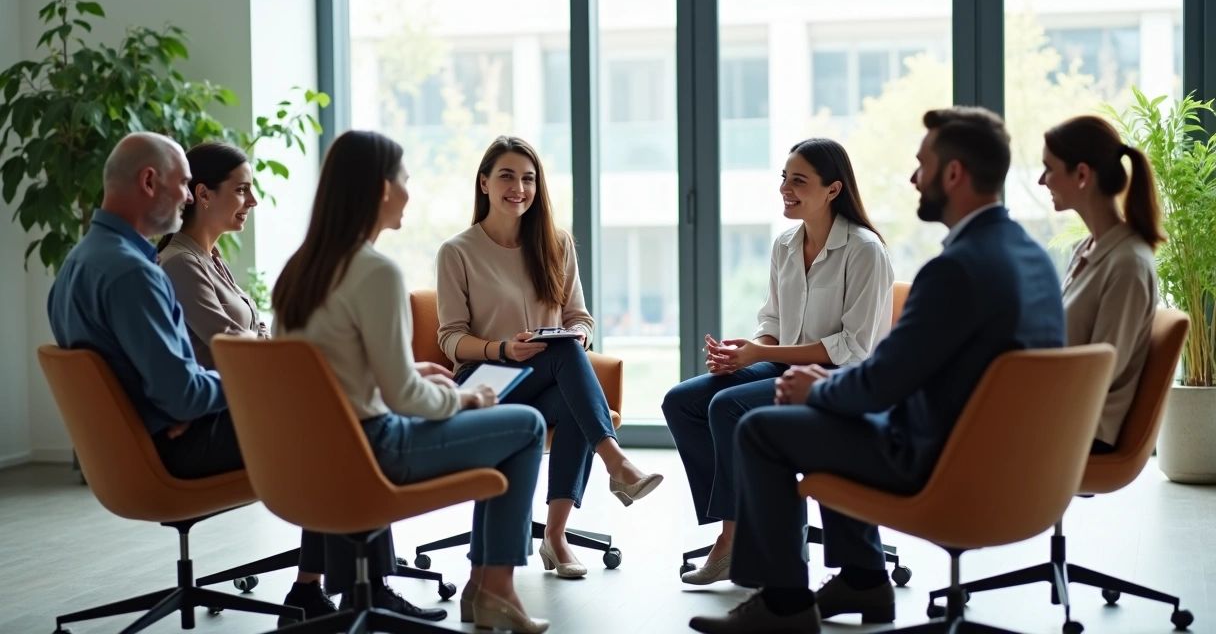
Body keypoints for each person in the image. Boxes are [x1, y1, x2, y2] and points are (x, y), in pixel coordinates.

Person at [688, 107, 1066, 634]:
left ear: (952, 174)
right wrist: (823, 386)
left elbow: (880, 380)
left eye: (922, 165)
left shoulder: (955, 269)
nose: (914, 178)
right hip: (1025, 465)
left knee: (761, 428)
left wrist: (817, 390)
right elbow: (898, 373)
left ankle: (783, 605)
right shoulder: (1032, 257)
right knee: (824, 414)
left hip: (949, 461)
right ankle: (863, 578)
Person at [46, 133, 337, 625]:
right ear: (149, 181)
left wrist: (172, 403)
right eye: (183, 185)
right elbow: (183, 395)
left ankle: (333, 584)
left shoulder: (76, 267)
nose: (186, 197)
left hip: (136, 449)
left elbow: (155, 384)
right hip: (174, 450)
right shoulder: (135, 274)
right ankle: (344, 589)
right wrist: (189, 403)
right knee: (336, 423)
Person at [271, 130, 549, 633]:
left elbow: (324, 375)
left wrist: (393, 373)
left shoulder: (300, 268)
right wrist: (465, 396)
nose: (408, 192)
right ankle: (495, 589)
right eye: (404, 180)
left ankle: (487, 589)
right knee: (526, 424)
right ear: (381, 189)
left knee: (509, 422)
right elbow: (404, 398)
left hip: (312, 453)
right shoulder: (375, 271)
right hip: (373, 449)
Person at [663, 138, 894, 586]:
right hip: (784, 365)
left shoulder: (864, 250)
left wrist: (761, 353)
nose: (786, 188)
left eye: (799, 180)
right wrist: (742, 354)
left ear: (832, 190)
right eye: (784, 178)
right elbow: (772, 322)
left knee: (726, 407)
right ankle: (739, 520)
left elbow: (852, 347)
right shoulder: (785, 245)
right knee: (682, 401)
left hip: (837, 378)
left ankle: (734, 538)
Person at [436, 135, 663, 580]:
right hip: (485, 384)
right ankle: (615, 461)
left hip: (546, 379)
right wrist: (503, 348)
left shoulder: (556, 244)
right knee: (564, 357)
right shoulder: (457, 252)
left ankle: (555, 537)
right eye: (506, 176)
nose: (518, 188)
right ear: (483, 183)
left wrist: (577, 333)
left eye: (528, 179)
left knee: (570, 374)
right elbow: (449, 338)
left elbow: (581, 318)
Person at [1040, 116, 1164, 453]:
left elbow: (1100, 372)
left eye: (1049, 169)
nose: (1041, 180)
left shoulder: (1128, 264)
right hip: (1062, 415)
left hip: (1083, 430)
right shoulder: (1092, 246)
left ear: (1081, 174)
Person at [157, 142, 267, 369]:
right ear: (204, 194)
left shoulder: (210, 259)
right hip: (223, 399)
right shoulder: (181, 263)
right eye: (241, 190)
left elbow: (255, 328)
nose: (253, 200)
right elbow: (231, 345)